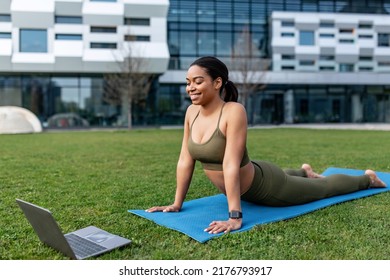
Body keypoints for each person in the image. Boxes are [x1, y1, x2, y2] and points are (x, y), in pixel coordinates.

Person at [146, 56, 386, 234]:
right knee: (293, 176)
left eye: (198, 81)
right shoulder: (191, 112)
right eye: (188, 82)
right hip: (251, 175)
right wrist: (177, 204)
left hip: (266, 188)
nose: (190, 88)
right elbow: (185, 160)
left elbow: (230, 164)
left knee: (323, 189)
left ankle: (367, 179)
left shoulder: (233, 111)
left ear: (217, 82)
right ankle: (305, 172)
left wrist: (235, 216)